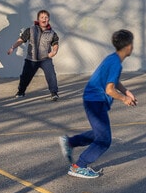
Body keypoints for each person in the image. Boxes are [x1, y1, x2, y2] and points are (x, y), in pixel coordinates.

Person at [58, 29, 138, 179]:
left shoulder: (112, 59)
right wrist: (124, 99)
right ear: (127, 46)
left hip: (92, 99)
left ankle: (70, 142)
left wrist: (127, 92)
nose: (133, 47)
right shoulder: (116, 63)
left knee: (98, 132)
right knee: (104, 139)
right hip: (96, 101)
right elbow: (109, 89)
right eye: (132, 44)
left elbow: (113, 81)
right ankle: (78, 166)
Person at [7, 9, 60, 100]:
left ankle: (54, 93)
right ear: (38, 19)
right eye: (42, 17)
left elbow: (55, 43)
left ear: (49, 19)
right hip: (31, 59)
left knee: (51, 75)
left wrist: (54, 51)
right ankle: (21, 91)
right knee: (25, 77)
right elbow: (21, 40)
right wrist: (13, 47)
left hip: (45, 59)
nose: (44, 19)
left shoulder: (52, 33)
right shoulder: (30, 30)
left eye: (46, 17)